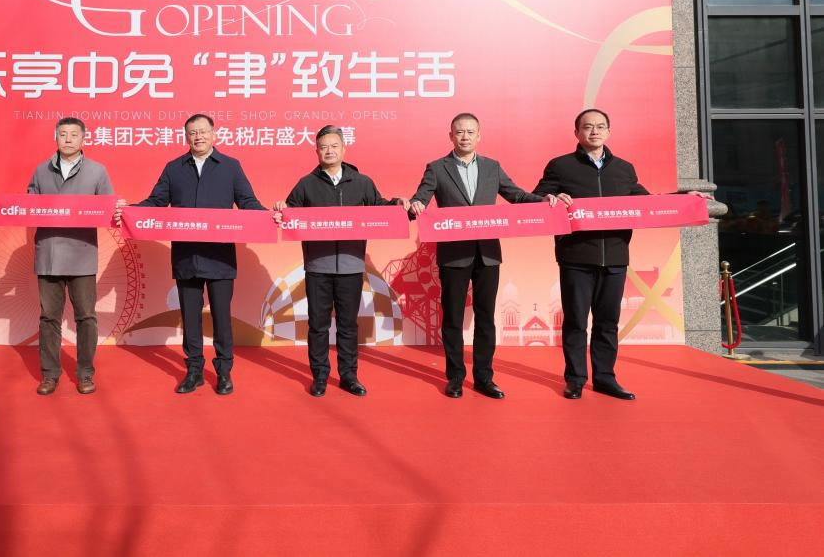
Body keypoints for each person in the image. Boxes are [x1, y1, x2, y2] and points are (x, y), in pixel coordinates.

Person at [531, 108, 689, 401]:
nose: (594, 131)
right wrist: (548, 198)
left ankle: (605, 378)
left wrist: (686, 199)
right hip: (576, 257)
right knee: (576, 322)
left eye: (600, 126)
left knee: (607, 323)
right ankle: (575, 379)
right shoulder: (561, 166)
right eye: (588, 126)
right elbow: (537, 198)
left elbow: (648, 204)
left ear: (609, 131)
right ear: (577, 132)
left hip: (615, 257)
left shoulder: (624, 169)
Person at [409, 113, 563, 400]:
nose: (465, 136)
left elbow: (516, 195)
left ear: (479, 136)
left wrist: (543, 200)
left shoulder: (493, 167)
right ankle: (455, 377)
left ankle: (484, 378)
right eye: (459, 132)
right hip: (454, 254)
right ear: (451, 136)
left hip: (488, 254)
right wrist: (415, 204)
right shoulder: (437, 168)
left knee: (485, 317)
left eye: (470, 132)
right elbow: (422, 196)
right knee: (453, 318)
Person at [115, 113, 266, 395]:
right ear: (186, 137)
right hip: (187, 256)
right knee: (190, 318)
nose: (198, 137)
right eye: (192, 132)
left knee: (222, 318)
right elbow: (156, 201)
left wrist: (269, 217)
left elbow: (248, 202)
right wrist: (129, 212)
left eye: (203, 131)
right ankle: (194, 371)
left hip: (220, 257)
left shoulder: (230, 166)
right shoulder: (174, 168)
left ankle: (224, 372)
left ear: (214, 134)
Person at [274, 126, 403, 398]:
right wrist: (281, 210)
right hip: (317, 266)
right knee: (318, 325)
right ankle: (320, 376)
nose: (329, 151)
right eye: (324, 147)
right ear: (316, 151)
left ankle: (348, 376)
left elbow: (380, 208)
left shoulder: (362, 182)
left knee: (348, 325)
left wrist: (399, 206)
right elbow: (289, 213)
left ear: (344, 148)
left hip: (351, 265)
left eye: (334, 146)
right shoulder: (306, 184)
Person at [28, 117, 115, 396]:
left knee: (86, 317)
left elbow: (109, 208)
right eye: (63, 134)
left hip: (82, 254)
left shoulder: (97, 171)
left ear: (83, 139)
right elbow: (28, 205)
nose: (68, 139)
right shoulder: (41, 170)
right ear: (55, 138)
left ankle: (86, 373)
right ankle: (50, 374)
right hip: (49, 253)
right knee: (48, 318)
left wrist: (118, 209)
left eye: (73, 134)